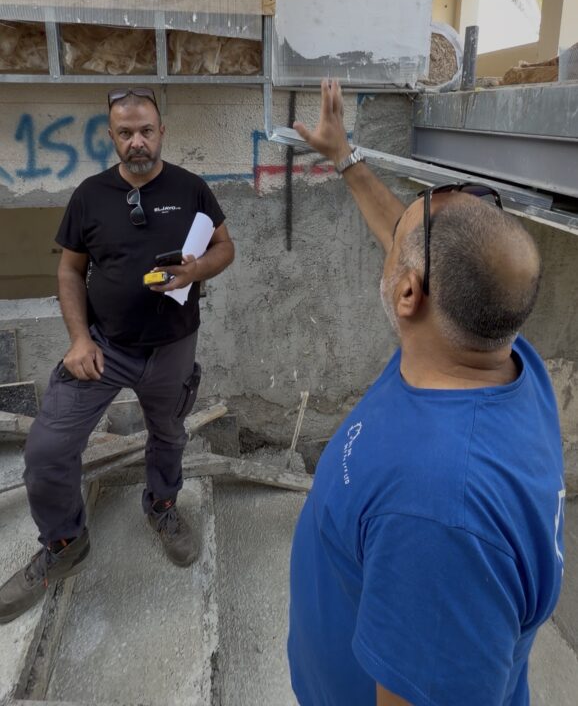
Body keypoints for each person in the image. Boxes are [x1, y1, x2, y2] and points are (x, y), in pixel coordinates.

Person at [288, 80, 565, 706]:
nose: (388, 246)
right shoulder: (502, 357)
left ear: (408, 293)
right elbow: (417, 247)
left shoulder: (439, 514)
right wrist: (345, 157)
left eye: (396, 251)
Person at [0, 87, 234, 624]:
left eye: (146, 131)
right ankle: (64, 544)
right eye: (125, 133)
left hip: (173, 346)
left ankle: (162, 506)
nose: (137, 142)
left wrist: (197, 270)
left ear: (161, 132)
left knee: (168, 436)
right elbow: (69, 270)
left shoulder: (191, 188)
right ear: (111, 137)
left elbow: (225, 246)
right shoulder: (90, 195)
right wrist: (78, 340)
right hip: (103, 347)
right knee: (47, 449)